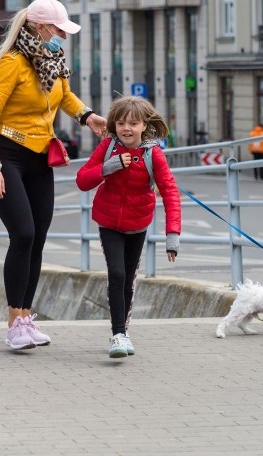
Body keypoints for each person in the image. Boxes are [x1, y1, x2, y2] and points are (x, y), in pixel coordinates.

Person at [0, 0, 107, 350]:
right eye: (58, 30)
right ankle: (12, 323)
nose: (62, 37)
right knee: (22, 234)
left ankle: (26, 317)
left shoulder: (52, 60)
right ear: (38, 27)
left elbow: (64, 96)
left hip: (38, 157)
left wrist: (88, 116)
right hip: (6, 155)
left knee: (38, 237)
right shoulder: (12, 63)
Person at [76, 95, 181, 359]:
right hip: (109, 221)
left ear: (144, 125)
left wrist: (172, 235)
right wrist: (107, 167)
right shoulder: (108, 147)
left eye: (133, 123)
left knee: (128, 279)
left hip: (137, 224)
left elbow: (170, 191)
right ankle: (118, 334)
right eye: (121, 123)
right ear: (114, 125)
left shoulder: (152, 154)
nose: (126, 128)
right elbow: (82, 180)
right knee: (117, 273)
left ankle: (124, 331)